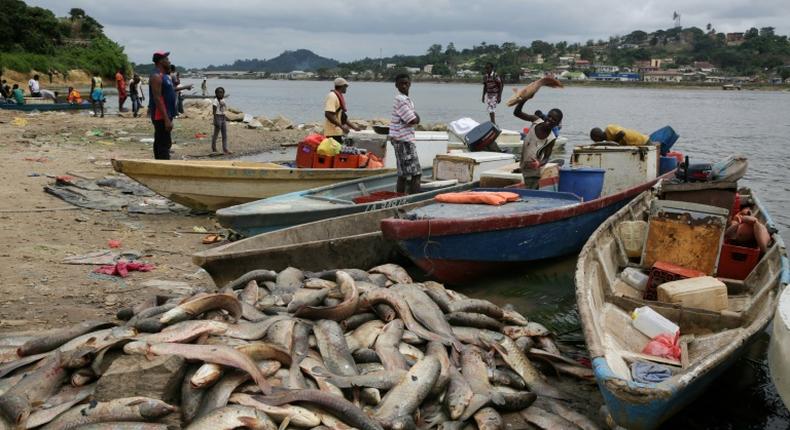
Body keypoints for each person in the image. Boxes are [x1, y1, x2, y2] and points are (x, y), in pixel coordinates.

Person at [513, 97, 563, 188]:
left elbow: (546, 158)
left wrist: (539, 163)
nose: (550, 119)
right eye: (549, 116)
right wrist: (524, 100)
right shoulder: (536, 121)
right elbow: (517, 113)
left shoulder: (551, 139)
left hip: (533, 172)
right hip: (523, 166)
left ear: (557, 124)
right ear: (546, 115)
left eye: (554, 120)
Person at [388, 73, 422, 195]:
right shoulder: (401, 100)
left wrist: (414, 116)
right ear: (396, 85)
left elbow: (412, 117)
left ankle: (400, 199)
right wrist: (417, 117)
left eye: (406, 83)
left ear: (410, 84)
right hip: (405, 141)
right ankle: (414, 201)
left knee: (403, 174)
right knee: (416, 174)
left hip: (400, 140)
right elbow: (412, 120)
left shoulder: (405, 100)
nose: (404, 86)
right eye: (401, 84)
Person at [149, 51, 178, 159]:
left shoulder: (165, 75)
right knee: (164, 143)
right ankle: (164, 164)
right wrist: (166, 119)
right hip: (160, 115)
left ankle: (158, 163)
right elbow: (157, 98)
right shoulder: (156, 76)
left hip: (167, 113)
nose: (169, 61)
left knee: (160, 140)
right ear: (161, 61)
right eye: (167, 59)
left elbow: (169, 91)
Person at [323, 77, 360, 143]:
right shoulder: (332, 96)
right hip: (331, 133)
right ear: (342, 86)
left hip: (337, 132)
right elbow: (328, 114)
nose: (346, 88)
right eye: (346, 86)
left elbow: (342, 116)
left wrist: (354, 127)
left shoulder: (338, 96)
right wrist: (342, 127)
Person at [211, 87, 230, 154]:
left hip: (223, 117)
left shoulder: (223, 100)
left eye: (222, 92)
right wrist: (215, 120)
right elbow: (214, 112)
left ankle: (225, 149)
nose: (220, 94)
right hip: (217, 117)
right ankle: (214, 148)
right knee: (216, 134)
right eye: (219, 92)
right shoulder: (215, 101)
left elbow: (223, 109)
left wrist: (226, 117)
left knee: (224, 135)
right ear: (216, 93)